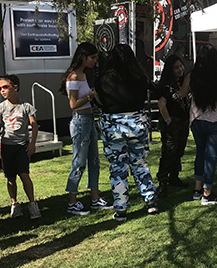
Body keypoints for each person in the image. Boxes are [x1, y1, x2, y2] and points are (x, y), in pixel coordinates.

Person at [97, 44, 157, 222]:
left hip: (113, 125)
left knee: (117, 167)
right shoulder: (139, 77)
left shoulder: (103, 79)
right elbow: (153, 89)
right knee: (139, 163)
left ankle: (121, 208)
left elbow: (100, 100)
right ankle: (150, 200)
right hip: (137, 123)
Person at [59, 42, 111, 216]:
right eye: (92, 57)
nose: (95, 61)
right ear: (83, 56)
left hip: (89, 119)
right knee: (79, 162)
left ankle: (95, 198)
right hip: (80, 121)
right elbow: (73, 104)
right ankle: (72, 201)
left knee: (94, 160)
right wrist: (91, 95)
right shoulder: (73, 77)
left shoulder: (85, 75)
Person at [180, 44, 217, 205]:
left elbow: (182, 93)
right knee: (211, 157)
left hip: (197, 120)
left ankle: (197, 189)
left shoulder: (192, 76)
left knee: (200, 154)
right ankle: (207, 193)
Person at [0, 74, 42, 219]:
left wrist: (32, 143)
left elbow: (34, 125)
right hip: (7, 146)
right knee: (10, 177)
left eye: (5, 87)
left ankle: (32, 204)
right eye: (0, 88)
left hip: (22, 147)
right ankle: (15, 204)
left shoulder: (26, 106)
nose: (2, 90)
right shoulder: (0, 108)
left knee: (24, 174)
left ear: (15, 87)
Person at [156, 55, 190, 198]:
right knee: (169, 151)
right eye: (176, 67)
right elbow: (161, 105)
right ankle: (162, 181)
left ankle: (174, 176)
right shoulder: (165, 85)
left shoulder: (184, 82)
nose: (180, 69)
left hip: (183, 120)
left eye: (181, 66)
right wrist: (169, 121)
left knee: (179, 150)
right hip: (171, 121)